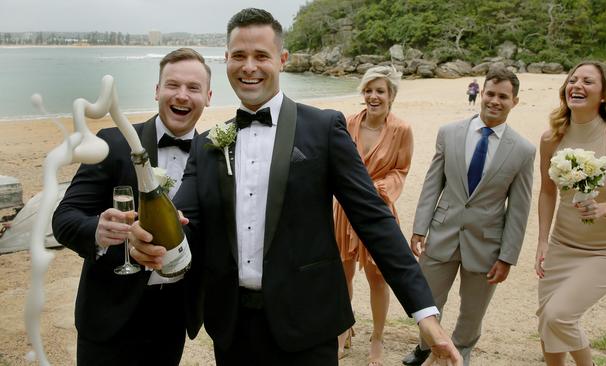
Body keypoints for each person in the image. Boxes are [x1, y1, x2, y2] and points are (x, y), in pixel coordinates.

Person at [130, 8, 462, 366]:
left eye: (261, 56)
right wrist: (146, 235)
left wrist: (424, 313)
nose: (249, 66)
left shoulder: (323, 128)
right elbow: (184, 222)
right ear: (226, 60)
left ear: (282, 60)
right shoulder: (209, 144)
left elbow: (374, 220)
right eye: (239, 56)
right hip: (232, 330)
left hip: (309, 326)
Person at [52, 48, 212, 365]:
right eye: (172, 85)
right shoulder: (113, 143)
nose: (182, 95)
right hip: (110, 315)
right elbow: (65, 219)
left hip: (173, 317)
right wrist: (98, 230)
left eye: (193, 88)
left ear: (208, 97)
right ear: (156, 91)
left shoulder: (215, 156)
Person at [402, 67, 535, 366]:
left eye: (503, 96)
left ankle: (461, 350)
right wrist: (420, 228)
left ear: (515, 101)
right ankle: (425, 346)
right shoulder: (449, 133)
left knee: (473, 310)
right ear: (481, 93)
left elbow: (519, 208)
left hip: (487, 244)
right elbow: (432, 183)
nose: (495, 101)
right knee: (429, 300)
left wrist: (508, 256)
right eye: (490, 93)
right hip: (442, 233)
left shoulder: (524, 150)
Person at [535, 61, 606, 366]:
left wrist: (604, 209)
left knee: (560, 316)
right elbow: (547, 192)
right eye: (572, 80)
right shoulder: (551, 139)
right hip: (561, 245)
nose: (577, 85)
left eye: (587, 81)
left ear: (604, 95)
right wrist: (543, 241)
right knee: (547, 322)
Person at [333, 65, 413, 364]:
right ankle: (343, 328)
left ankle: (377, 337)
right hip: (344, 208)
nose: (373, 96)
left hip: (379, 208)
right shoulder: (348, 123)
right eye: (368, 90)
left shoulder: (401, 129)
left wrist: (379, 187)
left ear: (391, 95)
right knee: (343, 274)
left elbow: (401, 170)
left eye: (379, 91)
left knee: (378, 277)